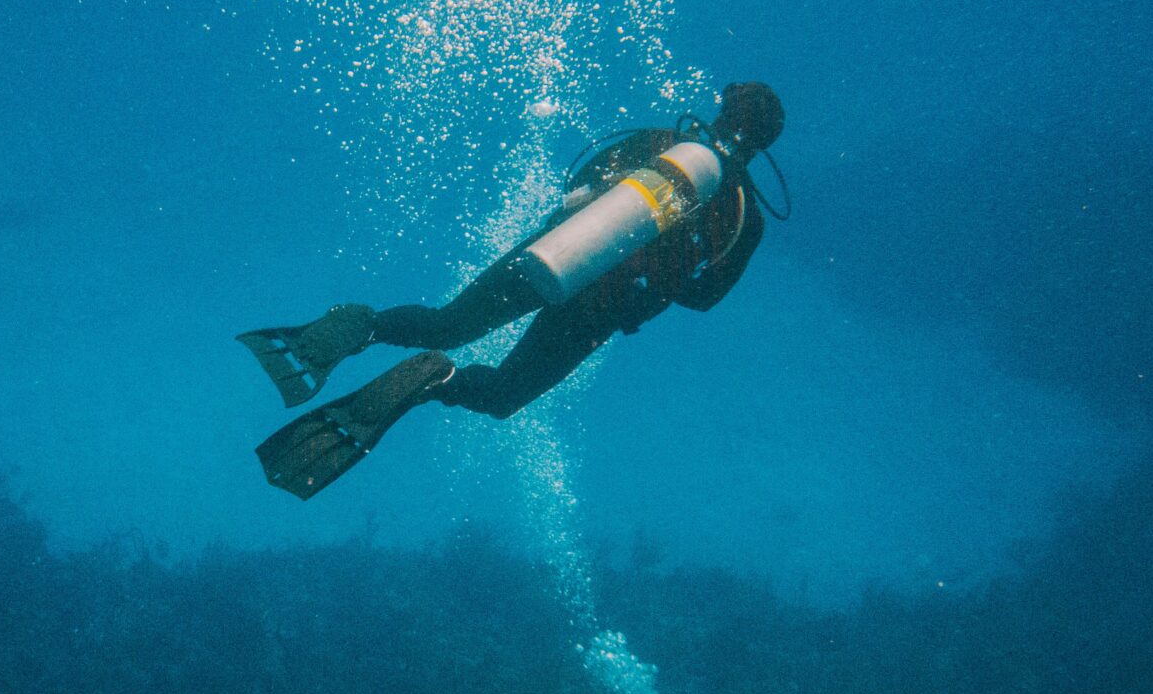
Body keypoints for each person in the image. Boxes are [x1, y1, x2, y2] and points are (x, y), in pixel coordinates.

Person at [241, 82, 784, 498]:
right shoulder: (744, 215)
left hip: (549, 256)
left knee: (447, 323)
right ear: (763, 146)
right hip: (599, 309)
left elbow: (578, 184)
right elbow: (702, 297)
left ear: (721, 111)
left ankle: (363, 326)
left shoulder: (661, 144)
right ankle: (437, 380)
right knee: (503, 396)